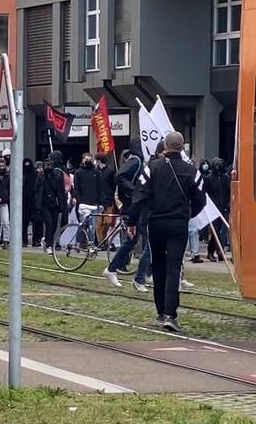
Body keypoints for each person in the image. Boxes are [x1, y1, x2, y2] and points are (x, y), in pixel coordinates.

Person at [128, 131, 206, 332]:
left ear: (165, 146)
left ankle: (161, 311)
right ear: (182, 147)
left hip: (156, 222)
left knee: (158, 265)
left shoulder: (151, 168)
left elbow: (139, 196)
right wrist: (188, 214)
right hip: (179, 223)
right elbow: (201, 199)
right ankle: (171, 314)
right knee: (174, 266)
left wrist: (132, 220)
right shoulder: (192, 171)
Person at [104, 139, 152, 291]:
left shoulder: (136, 160)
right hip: (134, 205)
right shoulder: (136, 161)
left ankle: (113, 269)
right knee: (145, 240)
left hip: (133, 205)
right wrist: (134, 191)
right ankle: (140, 276)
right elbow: (119, 176)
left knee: (133, 240)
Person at [38, 154, 68, 252]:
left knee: (54, 224)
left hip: (54, 203)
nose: (48, 167)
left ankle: (48, 241)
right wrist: (38, 206)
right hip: (44, 204)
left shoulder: (57, 176)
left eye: (50, 165)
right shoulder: (41, 177)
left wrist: (62, 205)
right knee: (49, 224)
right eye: (46, 166)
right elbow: (37, 192)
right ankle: (49, 245)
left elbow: (61, 191)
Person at [72, 153, 101, 242]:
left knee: (92, 225)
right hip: (83, 203)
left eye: (90, 160)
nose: (88, 161)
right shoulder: (78, 172)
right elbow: (76, 187)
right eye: (86, 159)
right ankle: (80, 242)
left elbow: (99, 187)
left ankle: (91, 243)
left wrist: (99, 201)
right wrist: (78, 199)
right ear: (83, 160)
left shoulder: (96, 172)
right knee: (83, 224)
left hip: (94, 202)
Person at [21, 158, 40, 246]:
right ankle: (24, 240)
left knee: (36, 221)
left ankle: (36, 240)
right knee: (23, 222)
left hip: (34, 201)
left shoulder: (36, 174)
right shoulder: (20, 174)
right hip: (23, 202)